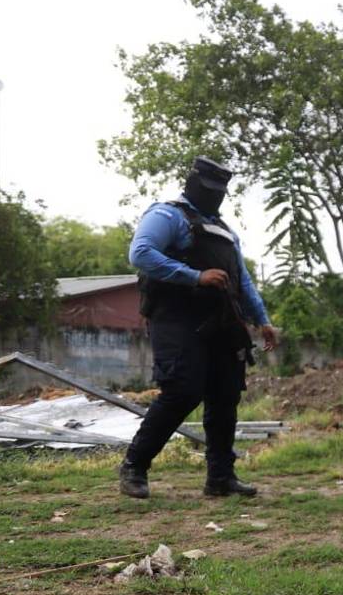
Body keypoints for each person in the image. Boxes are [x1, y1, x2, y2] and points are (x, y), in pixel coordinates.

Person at [119, 156, 278, 500]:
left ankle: (220, 477)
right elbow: (141, 253)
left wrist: (262, 319)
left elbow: (242, 279)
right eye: (210, 189)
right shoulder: (167, 214)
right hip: (177, 319)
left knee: (225, 396)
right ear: (192, 183)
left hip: (221, 321)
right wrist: (195, 276)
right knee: (183, 390)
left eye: (221, 190)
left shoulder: (225, 231)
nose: (216, 196)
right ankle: (134, 465)